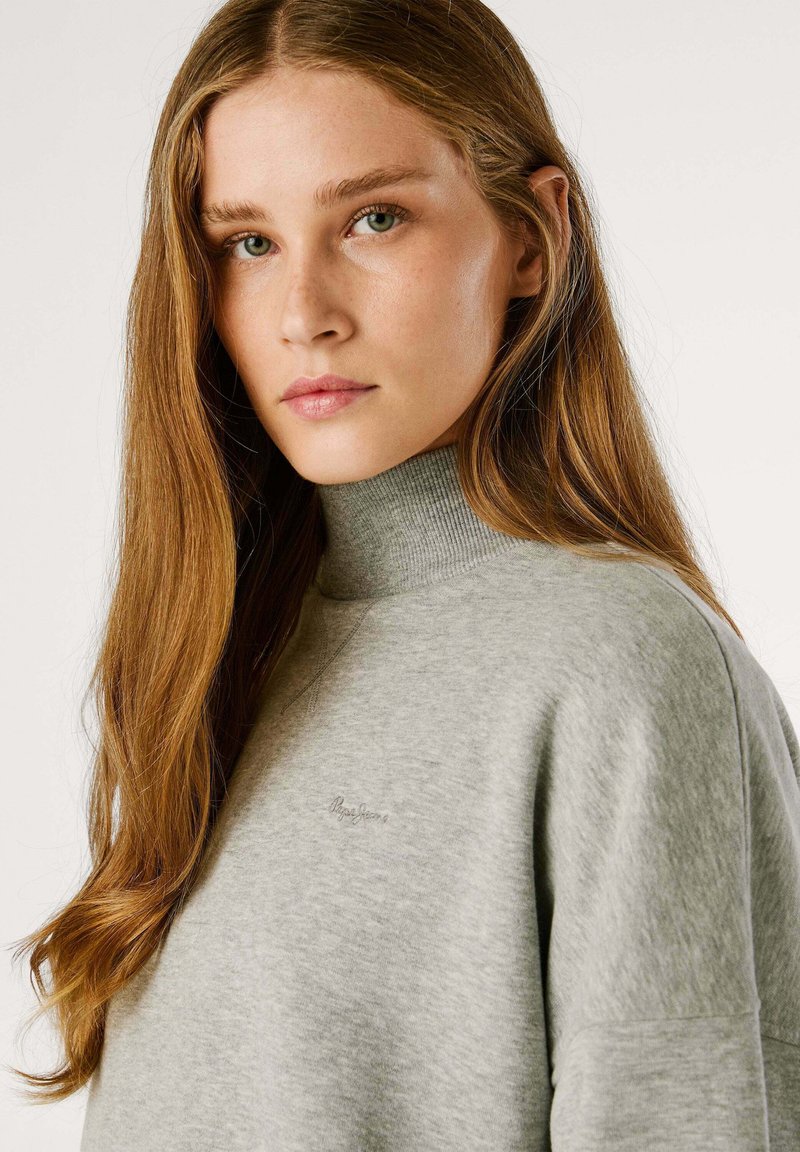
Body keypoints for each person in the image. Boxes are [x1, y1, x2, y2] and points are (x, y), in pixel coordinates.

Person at [8, 1, 799, 1149]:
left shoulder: (620, 663)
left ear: (529, 238)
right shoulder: (231, 649)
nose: (303, 315)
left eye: (373, 219)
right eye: (248, 243)